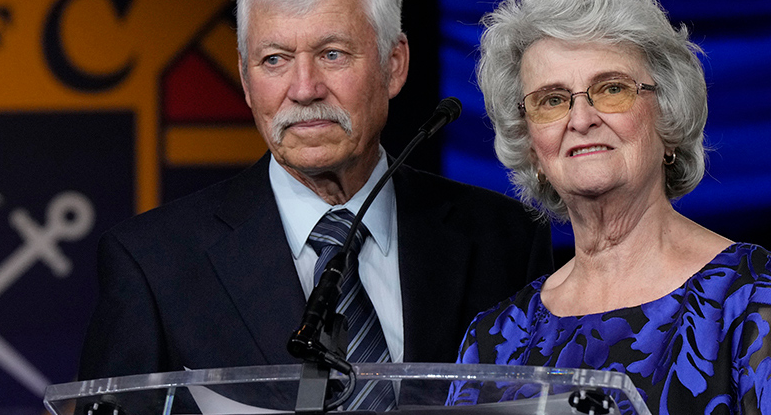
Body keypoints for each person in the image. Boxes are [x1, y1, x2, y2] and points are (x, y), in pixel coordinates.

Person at [78, 0, 553, 407]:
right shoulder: (151, 264)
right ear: (245, 80)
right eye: (274, 60)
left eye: (332, 54)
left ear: (395, 64)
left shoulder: (505, 238)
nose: (304, 89)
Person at [452, 0, 771, 413]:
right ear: (531, 147)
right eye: (551, 100)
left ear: (668, 118)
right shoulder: (493, 340)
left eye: (612, 89)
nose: (581, 119)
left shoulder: (752, 298)